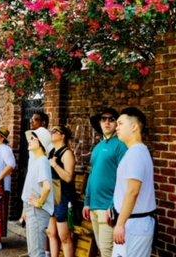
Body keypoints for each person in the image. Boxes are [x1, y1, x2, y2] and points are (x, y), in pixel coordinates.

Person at [82, 107, 127, 257]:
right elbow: (92, 174)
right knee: (102, 249)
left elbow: (125, 179)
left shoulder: (121, 146)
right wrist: (87, 202)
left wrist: (113, 206)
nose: (107, 122)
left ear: (116, 123)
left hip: (108, 207)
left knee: (108, 252)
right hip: (94, 205)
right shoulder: (97, 148)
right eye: (104, 119)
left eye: (111, 119)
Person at [112, 107, 156, 257]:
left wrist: (120, 224)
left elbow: (133, 191)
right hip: (129, 222)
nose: (116, 127)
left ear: (134, 126)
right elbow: (125, 189)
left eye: (120, 123)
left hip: (135, 225)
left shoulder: (136, 153)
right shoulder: (133, 152)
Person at [22, 127, 55, 257]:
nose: (29, 140)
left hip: (37, 211)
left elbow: (47, 187)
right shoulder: (35, 160)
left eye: (33, 138)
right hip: (32, 209)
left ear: (40, 142)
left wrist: (40, 203)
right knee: (33, 251)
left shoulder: (42, 161)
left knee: (36, 253)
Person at [45, 125, 75, 257]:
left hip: (63, 198)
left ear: (62, 135)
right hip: (52, 197)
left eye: (55, 131)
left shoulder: (67, 153)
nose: (51, 133)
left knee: (64, 237)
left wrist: (55, 165)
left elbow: (68, 177)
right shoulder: (52, 152)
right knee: (51, 233)